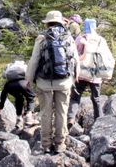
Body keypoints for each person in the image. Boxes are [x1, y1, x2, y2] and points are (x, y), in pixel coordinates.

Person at [25, 10, 79, 155]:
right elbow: (75, 59)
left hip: (44, 83)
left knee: (45, 113)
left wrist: (28, 78)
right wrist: (75, 76)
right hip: (64, 82)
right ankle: (60, 144)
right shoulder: (68, 37)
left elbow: (34, 60)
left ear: (47, 22)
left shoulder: (42, 38)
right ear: (61, 22)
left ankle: (46, 145)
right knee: (62, 113)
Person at [67, 18, 111, 128]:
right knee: (96, 99)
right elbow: (106, 55)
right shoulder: (101, 40)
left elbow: (74, 54)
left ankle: (71, 118)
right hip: (96, 75)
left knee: (75, 98)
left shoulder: (80, 38)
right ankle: (99, 121)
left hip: (81, 74)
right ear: (95, 26)